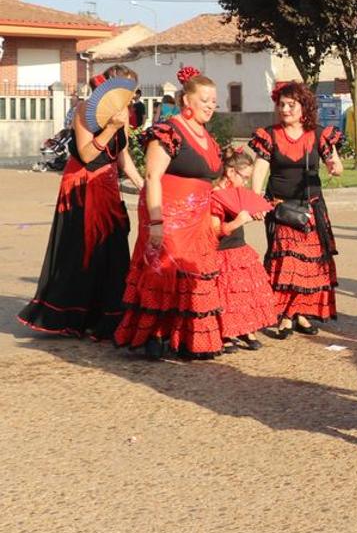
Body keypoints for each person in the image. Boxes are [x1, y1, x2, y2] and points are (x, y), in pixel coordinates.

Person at [18, 64, 145, 339]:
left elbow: (121, 154)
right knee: (86, 252)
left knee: (114, 251)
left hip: (109, 188)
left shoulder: (124, 112)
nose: (129, 97)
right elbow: (87, 155)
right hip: (83, 189)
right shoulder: (85, 111)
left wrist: (142, 184)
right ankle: (77, 317)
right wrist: (111, 127)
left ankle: (107, 318)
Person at [114, 66, 225, 359]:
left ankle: (187, 338)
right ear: (187, 100)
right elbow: (152, 178)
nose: (211, 105)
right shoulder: (168, 131)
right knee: (164, 272)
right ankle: (155, 335)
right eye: (205, 100)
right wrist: (156, 223)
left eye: (214, 100)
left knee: (194, 274)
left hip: (198, 219)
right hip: (169, 216)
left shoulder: (207, 136)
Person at [249, 81, 344, 339]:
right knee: (287, 262)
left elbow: (336, 164)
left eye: (291, 105)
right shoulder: (268, 134)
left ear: (305, 107)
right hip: (280, 208)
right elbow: (260, 169)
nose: (285, 109)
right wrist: (255, 200)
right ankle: (286, 317)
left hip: (312, 208)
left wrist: (335, 167)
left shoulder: (319, 134)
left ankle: (301, 314)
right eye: (281, 105)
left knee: (310, 264)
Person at [211, 147, 273, 353]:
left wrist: (254, 214)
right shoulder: (215, 196)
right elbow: (215, 231)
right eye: (244, 177)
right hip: (221, 252)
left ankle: (246, 329)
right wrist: (238, 221)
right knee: (225, 295)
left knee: (245, 292)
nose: (246, 182)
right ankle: (226, 332)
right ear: (230, 172)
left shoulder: (237, 193)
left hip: (239, 249)